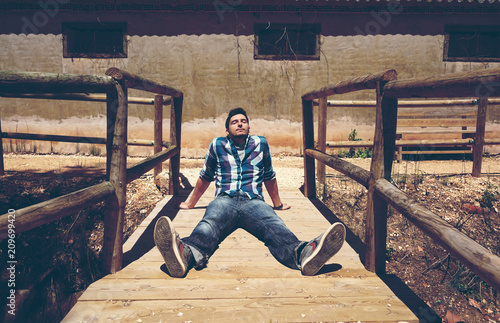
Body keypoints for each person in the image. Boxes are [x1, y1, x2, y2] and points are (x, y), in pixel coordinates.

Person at [154, 107, 345, 278]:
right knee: (209, 224)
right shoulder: (217, 145)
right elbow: (206, 176)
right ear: (227, 129)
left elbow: (269, 176)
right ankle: (184, 255)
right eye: (234, 122)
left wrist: (277, 204)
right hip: (224, 199)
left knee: (274, 225)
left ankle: (304, 253)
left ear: (249, 127)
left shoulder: (260, 144)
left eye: (243, 121)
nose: (240, 124)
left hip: (254, 200)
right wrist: (191, 203)